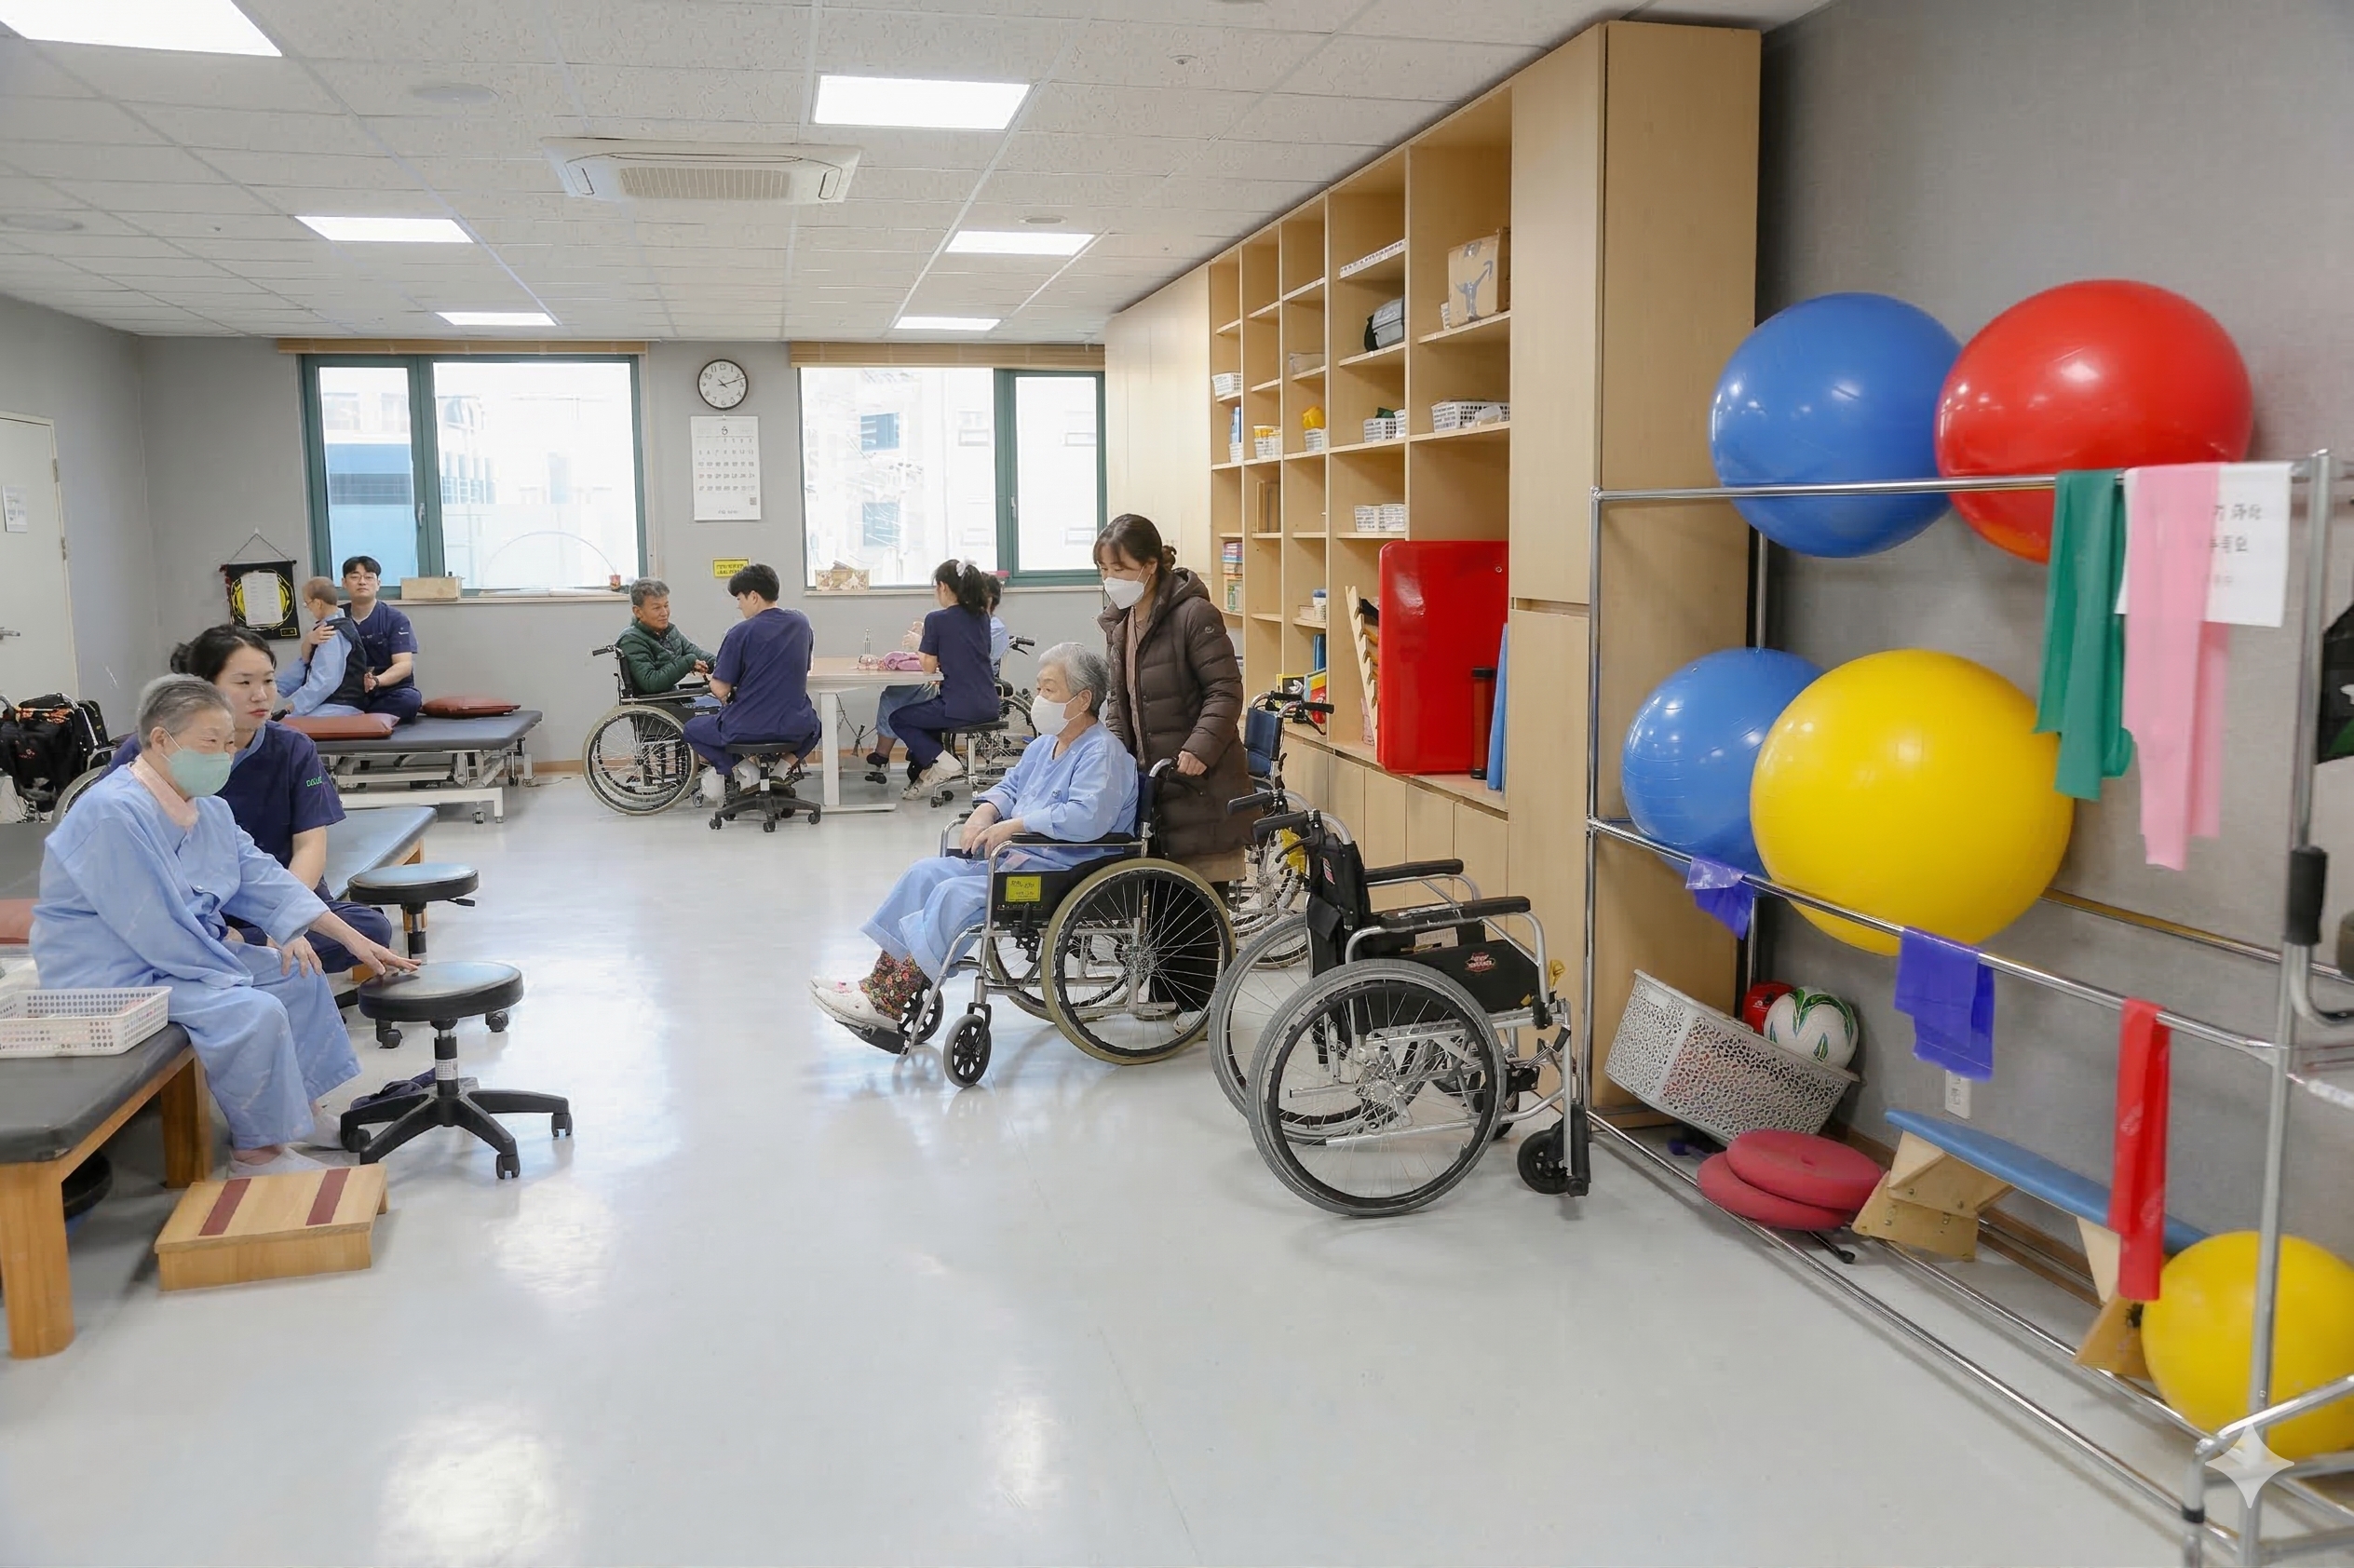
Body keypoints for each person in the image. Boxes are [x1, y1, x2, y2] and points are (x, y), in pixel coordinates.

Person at [38, 676, 416, 1176]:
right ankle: (257, 1153)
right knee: (251, 1011)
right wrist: (234, 970)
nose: (222, 755)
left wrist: (353, 939)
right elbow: (154, 926)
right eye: (209, 744)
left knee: (296, 974)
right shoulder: (112, 811)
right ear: (160, 740)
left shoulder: (206, 809)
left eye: (229, 744)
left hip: (179, 956)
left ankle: (304, 1115)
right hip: (113, 970)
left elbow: (266, 879)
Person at [811, 643, 1137, 1041]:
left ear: (1083, 698)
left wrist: (1015, 825)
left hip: (1062, 871)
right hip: (1019, 858)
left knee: (954, 894)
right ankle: (877, 985)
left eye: (1049, 689)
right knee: (924, 873)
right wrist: (986, 812)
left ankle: (888, 1002)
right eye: (1038, 688)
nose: (1038, 699)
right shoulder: (1044, 745)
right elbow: (1011, 785)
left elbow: (1088, 818)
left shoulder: (1102, 753)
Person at [116, 625, 400, 974]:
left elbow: (310, 845)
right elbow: (125, 848)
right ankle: (232, 949)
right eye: (244, 683)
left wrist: (279, 924)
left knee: (369, 927)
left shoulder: (291, 748)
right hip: (192, 906)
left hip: (274, 894)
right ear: (203, 686)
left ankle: (230, 951)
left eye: (267, 681)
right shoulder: (156, 748)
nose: (261, 695)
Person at [1095, 513, 1257, 883]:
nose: (1110, 579)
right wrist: (1113, 757)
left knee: (1198, 918)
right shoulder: (1122, 623)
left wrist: (1199, 749)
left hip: (1200, 787)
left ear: (1150, 565)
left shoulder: (1193, 614)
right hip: (1153, 788)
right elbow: (1121, 707)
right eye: (1104, 568)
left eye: (1120, 568)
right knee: (1159, 921)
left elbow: (1226, 689)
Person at [683, 562, 819, 802]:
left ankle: (750, 772)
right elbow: (804, 669)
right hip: (793, 724)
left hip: (746, 727)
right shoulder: (801, 623)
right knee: (815, 725)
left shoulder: (740, 633)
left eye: (740, 598)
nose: (739, 605)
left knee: (692, 729)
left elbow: (721, 688)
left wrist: (713, 680)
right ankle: (779, 772)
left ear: (754, 596)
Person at [884, 559, 1001, 801]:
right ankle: (934, 767)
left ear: (944, 587)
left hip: (959, 705)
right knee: (926, 718)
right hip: (989, 703)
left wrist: (921, 643)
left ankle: (945, 762)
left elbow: (928, 667)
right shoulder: (982, 617)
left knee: (898, 718)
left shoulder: (936, 619)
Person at [339, 555, 424, 723]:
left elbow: (404, 665)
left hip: (388, 690)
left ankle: (358, 718)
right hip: (348, 692)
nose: (362, 582)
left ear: (378, 584)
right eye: (355, 577)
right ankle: (362, 716)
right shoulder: (335, 617)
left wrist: (376, 681)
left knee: (410, 700)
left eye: (369, 577)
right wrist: (310, 640)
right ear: (344, 583)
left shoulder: (395, 618)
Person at [277, 576, 366, 718]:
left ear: (318, 603)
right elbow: (306, 663)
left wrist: (293, 707)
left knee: (281, 724)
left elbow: (325, 682)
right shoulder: (329, 627)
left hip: (340, 705)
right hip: (331, 703)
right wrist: (275, 688)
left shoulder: (331, 633)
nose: (308, 609)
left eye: (307, 604)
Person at [615, 576, 713, 696]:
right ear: (638, 612)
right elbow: (651, 682)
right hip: (654, 704)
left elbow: (696, 652)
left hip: (672, 696)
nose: (664, 613)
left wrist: (722, 664)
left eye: (666, 606)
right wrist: (689, 662)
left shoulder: (669, 631)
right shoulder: (631, 640)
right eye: (657, 608)